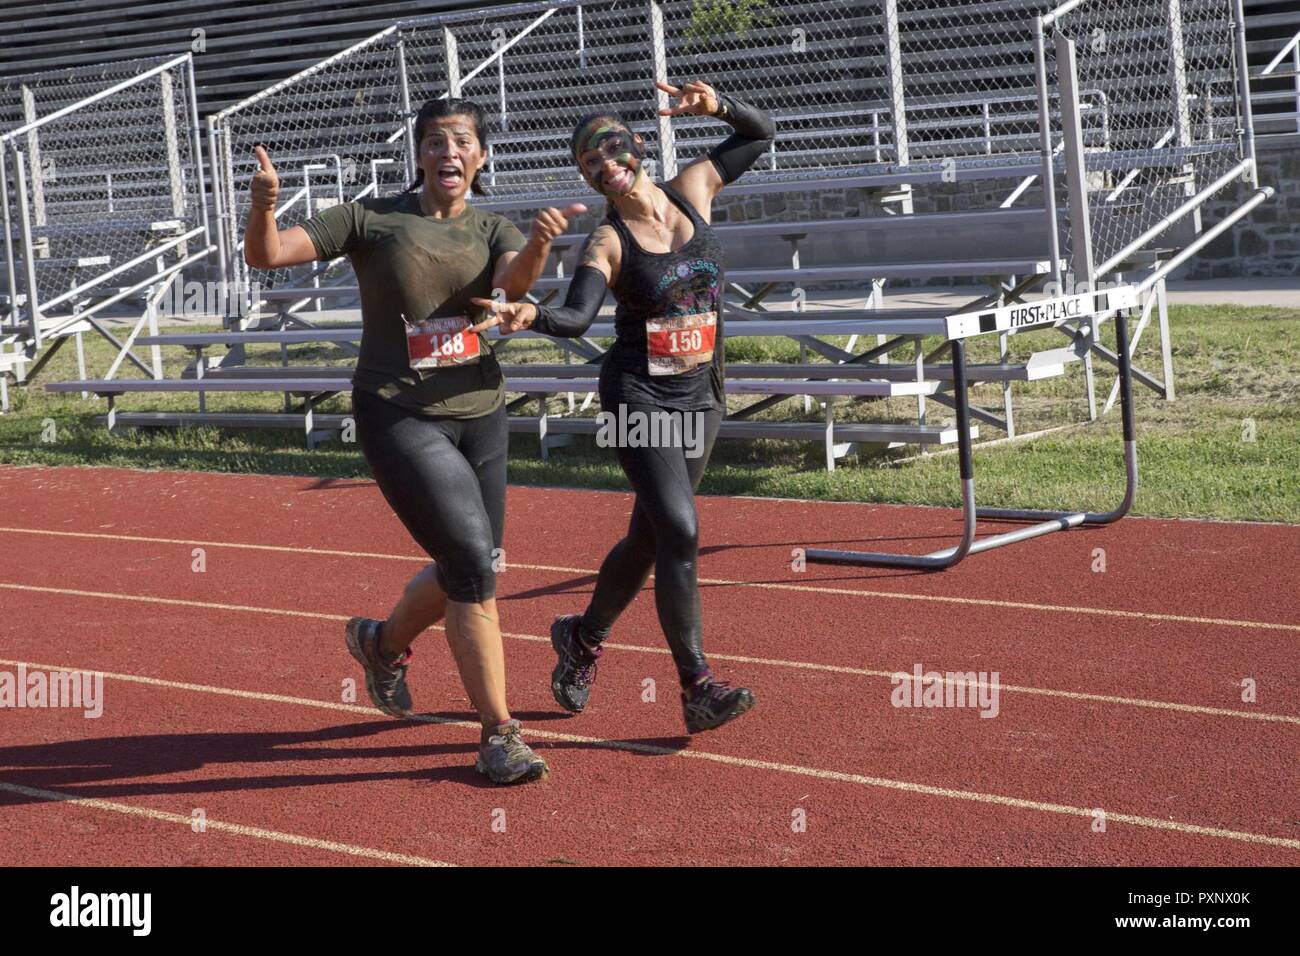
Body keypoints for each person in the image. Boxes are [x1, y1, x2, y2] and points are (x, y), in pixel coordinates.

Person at [243, 97, 584, 783]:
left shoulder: (493, 228)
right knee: (471, 567)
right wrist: (264, 204)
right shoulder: (372, 217)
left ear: (481, 156)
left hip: (481, 410)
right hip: (398, 413)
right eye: (434, 141)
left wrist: (541, 246)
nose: (447, 152)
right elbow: (269, 254)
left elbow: (510, 285)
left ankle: (382, 643)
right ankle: (499, 735)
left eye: (461, 141)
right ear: (419, 155)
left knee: (477, 560)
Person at [470, 80, 774, 733]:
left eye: (612, 150)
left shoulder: (692, 191)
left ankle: (580, 639)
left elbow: (758, 135)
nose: (605, 165)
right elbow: (579, 315)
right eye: (590, 163)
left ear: (635, 148)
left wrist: (716, 106)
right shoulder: (607, 243)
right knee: (682, 531)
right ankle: (697, 687)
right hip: (638, 395)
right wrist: (533, 315)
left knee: (650, 536)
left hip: (702, 393)